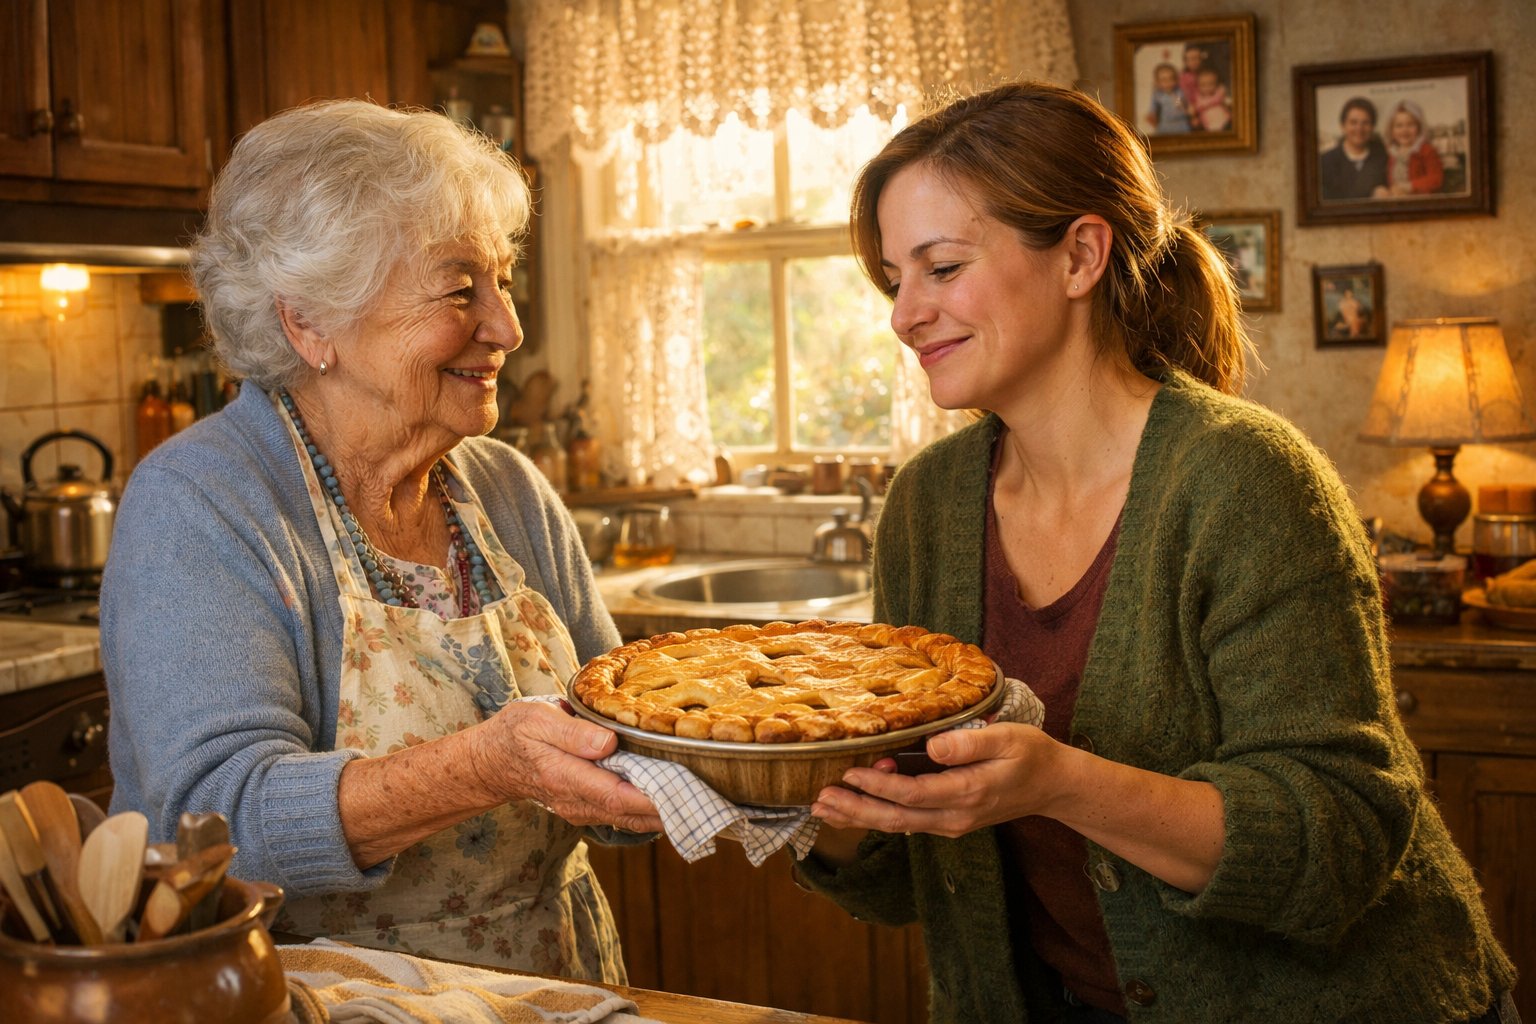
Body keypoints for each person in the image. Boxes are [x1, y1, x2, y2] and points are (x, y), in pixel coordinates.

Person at [796, 80, 1518, 1023]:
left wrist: (1061, 782)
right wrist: (827, 806)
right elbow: (919, 881)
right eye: (897, 280)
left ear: (1081, 257)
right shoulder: (926, 507)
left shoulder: (1244, 480)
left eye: (942, 267)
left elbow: (1340, 838)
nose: (904, 314)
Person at [100, 99, 662, 978]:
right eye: (457, 289)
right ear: (309, 323)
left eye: (502, 280)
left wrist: (754, 763)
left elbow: (624, 754)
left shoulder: (509, 492)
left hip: (554, 986)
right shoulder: (202, 501)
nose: (507, 328)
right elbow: (211, 827)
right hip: (313, 995)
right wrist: (487, 766)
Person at [1319, 95, 1389, 200]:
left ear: (1372, 127)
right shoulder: (1324, 161)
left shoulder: (1383, 158)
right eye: (1353, 122)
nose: (1359, 128)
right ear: (1343, 126)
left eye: (1365, 123)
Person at [1377, 97, 1445, 197]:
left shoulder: (1426, 150)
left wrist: (1409, 186)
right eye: (1399, 126)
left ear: (1419, 127)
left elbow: (1436, 179)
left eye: (1410, 124)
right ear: (1391, 130)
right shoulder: (1391, 152)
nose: (1405, 130)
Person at [1143, 62, 1190, 134]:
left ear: (1176, 80)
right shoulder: (1158, 95)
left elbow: (1180, 105)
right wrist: (1152, 116)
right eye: (1164, 80)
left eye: (1171, 79)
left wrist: (1178, 102)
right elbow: (1153, 109)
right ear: (1158, 82)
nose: (1168, 83)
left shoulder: (1178, 92)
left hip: (1180, 123)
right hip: (1166, 124)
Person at [1187, 64, 1231, 132]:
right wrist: (1193, 116)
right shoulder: (1197, 97)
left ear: (1216, 84)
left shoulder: (1218, 92)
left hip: (1225, 121)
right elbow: (1196, 109)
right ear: (1198, 86)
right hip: (1211, 125)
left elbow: (1226, 102)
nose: (1207, 88)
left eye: (1211, 84)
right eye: (1203, 85)